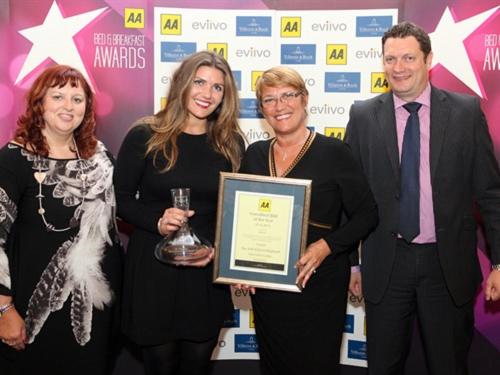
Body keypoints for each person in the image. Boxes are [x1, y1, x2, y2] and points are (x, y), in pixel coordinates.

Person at [345, 21, 500, 375]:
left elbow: (491, 195)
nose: (398, 68)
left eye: (408, 58)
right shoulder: (363, 115)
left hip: (446, 266)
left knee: (448, 366)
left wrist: (499, 263)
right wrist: (352, 263)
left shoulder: (465, 112)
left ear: (428, 59)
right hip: (387, 263)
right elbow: (350, 197)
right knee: (383, 367)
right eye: (390, 59)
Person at [239, 66, 378, 375]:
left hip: (319, 282)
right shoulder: (255, 154)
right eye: (269, 99)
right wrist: (241, 264)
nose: (280, 106)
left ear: (304, 100)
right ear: (262, 109)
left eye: (288, 95)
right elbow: (245, 217)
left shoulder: (334, 152)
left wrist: (326, 246)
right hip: (269, 287)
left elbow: (367, 214)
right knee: (275, 364)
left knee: (317, 365)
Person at [114, 51, 244, 375]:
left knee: (198, 366)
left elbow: (234, 212)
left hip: (204, 272)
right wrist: (157, 222)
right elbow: (121, 200)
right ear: (182, 83)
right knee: (160, 365)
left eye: (218, 88)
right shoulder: (146, 135)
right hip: (153, 270)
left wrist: (216, 251)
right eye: (199, 82)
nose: (207, 94)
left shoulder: (231, 144)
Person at [0, 65, 122, 375]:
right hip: (31, 306)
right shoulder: (13, 160)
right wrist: (3, 308)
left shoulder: (101, 156)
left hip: (95, 304)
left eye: (77, 99)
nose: (68, 106)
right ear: (39, 103)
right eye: (58, 96)